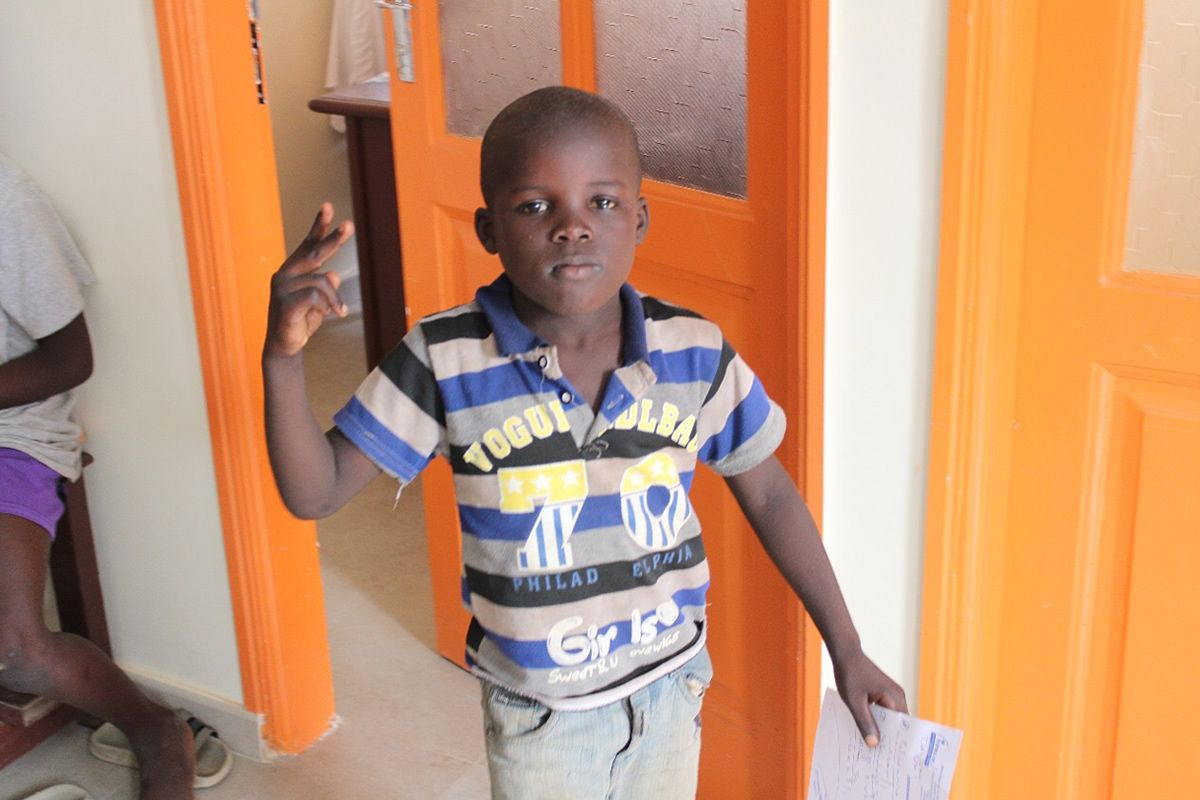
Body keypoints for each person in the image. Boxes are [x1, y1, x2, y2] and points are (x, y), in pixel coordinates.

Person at [263, 86, 906, 799]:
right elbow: (314, 489)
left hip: (670, 687)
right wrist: (282, 361)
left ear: (640, 218)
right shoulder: (445, 360)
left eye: (601, 202)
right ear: (487, 228)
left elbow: (771, 491)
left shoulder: (692, 352)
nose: (572, 227)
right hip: (543, 715)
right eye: (536, 205)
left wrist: (846, 647)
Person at [0, 154, 196, 800]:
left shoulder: (7, 200)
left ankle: (154, 729)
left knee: (19, 650)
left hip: (12, 431)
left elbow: (71, 358)